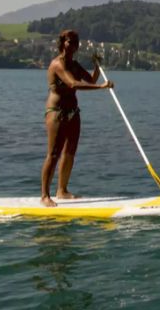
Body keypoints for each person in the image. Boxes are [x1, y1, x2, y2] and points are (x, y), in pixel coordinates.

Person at [41, 30, 113, 207]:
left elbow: (90, 80)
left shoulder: (75, 64)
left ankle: (62, 190)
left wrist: (97, 66)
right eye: (70, 41)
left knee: (70, 152)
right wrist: (102, 87)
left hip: (73, 112)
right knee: (53, 154)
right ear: (62, 43)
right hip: (56, 112)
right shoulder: (58, 64)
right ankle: (44, 196)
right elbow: (73, 83)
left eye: (76, 42)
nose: (73, 45)